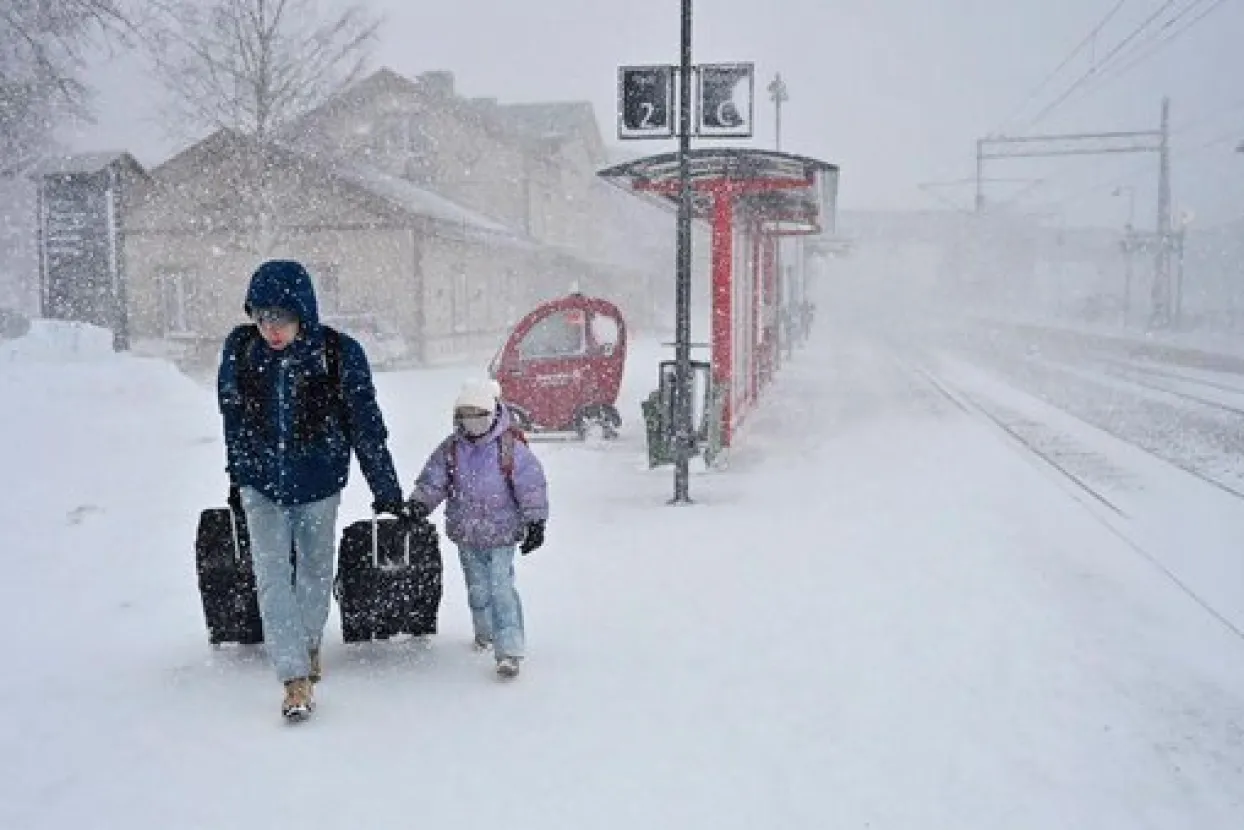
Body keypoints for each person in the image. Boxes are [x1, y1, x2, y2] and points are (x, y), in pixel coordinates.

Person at [217, 259, 408, 720]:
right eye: (261, 317)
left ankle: (307, 644)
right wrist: (237, 477)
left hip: (319, 482)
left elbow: (366, 426)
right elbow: (234, 420)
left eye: (279, 317)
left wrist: (385, 487)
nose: (270, 329)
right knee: (271, 574)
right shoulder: (241, 351)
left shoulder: (338, 354)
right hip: (260, 483)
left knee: (317, 570)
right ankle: (294, 677)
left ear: (302, 311)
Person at [407, 379, 548, 678]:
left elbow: (531, 485)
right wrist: (419, 505)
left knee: (501, 589)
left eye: (479, 414)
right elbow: (433, 481)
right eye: (466, 415)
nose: (473, 422)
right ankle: (485, 634)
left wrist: (536, 521)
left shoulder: (510, 448)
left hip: (502, 533)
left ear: (493, 413)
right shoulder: (451, 450)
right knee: (478, 590)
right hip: (467, 535)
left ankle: (509, 649)